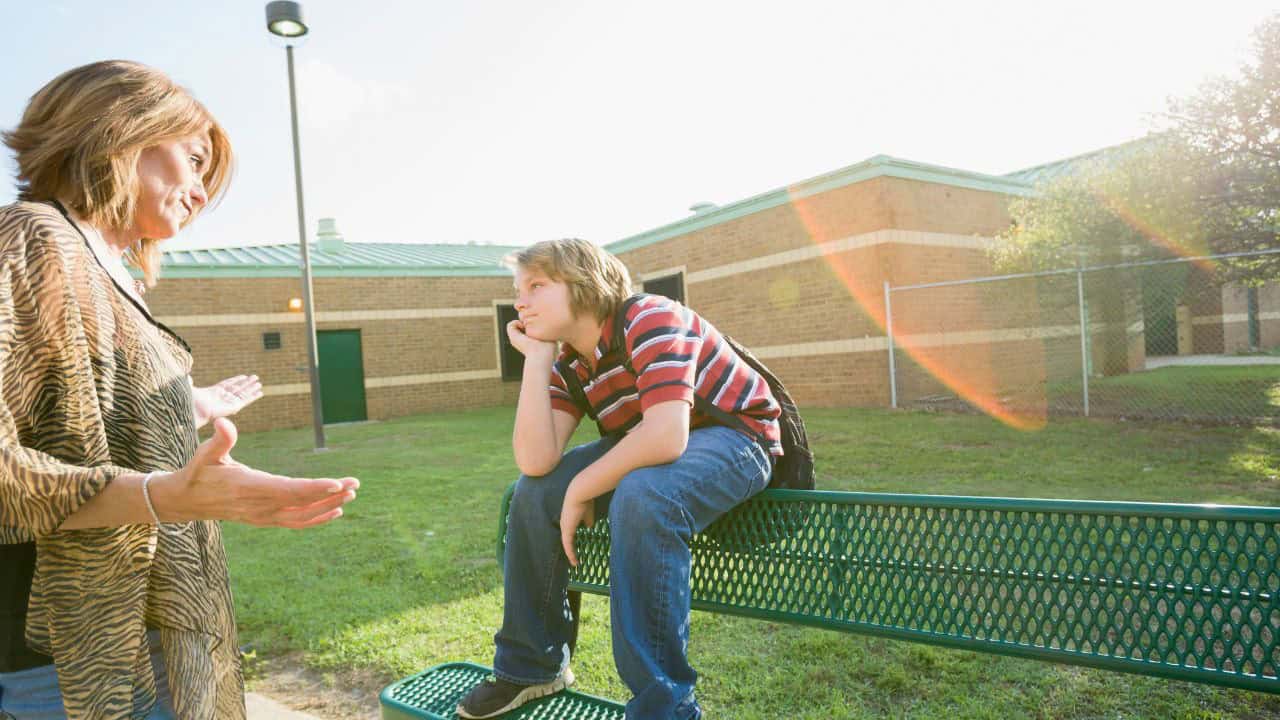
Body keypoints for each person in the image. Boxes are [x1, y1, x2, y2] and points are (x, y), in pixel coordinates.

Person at [0, 60, 359, 720]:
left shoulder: (113, 274)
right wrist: (165, 494)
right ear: (121, 129)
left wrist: (182, 410)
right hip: (76, 668)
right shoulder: (34, 238)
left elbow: (72, 420)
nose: (199, 190)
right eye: (193, 160)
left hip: (159, 636)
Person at [456, 239, 781, 719]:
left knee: (643, 494)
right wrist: (538, 360)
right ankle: (532, 666)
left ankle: (664, 707)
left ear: (585, 284)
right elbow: (536, 460)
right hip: (652, 440)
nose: (519, 301)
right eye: (517, 289)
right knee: (534, 493)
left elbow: (667, 434)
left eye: (536, 285)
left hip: (736, 436)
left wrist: (582, 488)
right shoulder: (570, 358)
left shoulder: (649, 317)